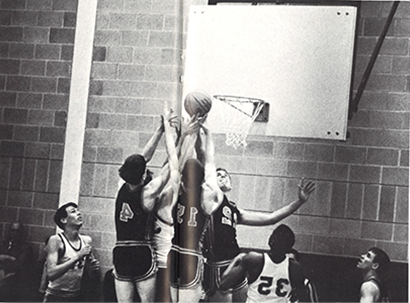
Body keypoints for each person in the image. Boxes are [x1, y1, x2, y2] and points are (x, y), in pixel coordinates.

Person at [201, 124, 316, 302]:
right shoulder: (211, 199)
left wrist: (299, 202)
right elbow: (208, 162)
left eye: (225, 174)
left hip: (235, 262)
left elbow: (271, 218)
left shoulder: (233, 209)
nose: (222, 176)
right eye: (219, 174)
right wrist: (208, 137)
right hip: (217, 263)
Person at [113, 115, 178, 303]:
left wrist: (159, 130)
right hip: (141, 252)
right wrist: (172, 135)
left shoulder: (121, 185)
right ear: (143, 176)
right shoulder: (148, 192)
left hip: (120, 251)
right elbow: (171, 165)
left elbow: (142, 158)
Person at [220, 224, 309, 303]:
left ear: (270, 240)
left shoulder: (254, 260)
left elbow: (224, 284)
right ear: (290, 246)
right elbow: (301, 297)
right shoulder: (295, 268)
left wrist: (236, 260)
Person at [43, 202, 100, 302]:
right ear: (64, 220)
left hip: (75, 296)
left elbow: (89, 274)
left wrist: (92, 269)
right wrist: (77, 256)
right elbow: (51, 274)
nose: (79, 213)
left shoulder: (86, 241)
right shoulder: (56, 240)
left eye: (78, 210)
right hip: (55, 296)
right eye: (73, 211)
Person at [0, 222, 35, 301]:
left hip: (15, 281)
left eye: (17, 231)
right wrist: (10, 258)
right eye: (13, 230)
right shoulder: (3, 244)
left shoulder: (26, 247)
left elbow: (19, 264)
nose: (15, 233)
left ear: (21, 233)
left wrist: (4, 257)